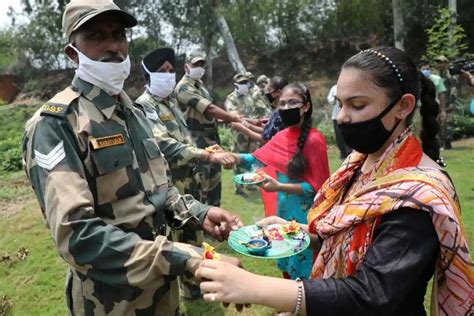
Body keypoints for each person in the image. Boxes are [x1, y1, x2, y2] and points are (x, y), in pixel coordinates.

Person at [196, 47, 472, 315]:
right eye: (340, 104)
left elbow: (372, 294)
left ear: (403, 106)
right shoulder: (360, 163)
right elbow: (350, 233)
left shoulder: (419, 197)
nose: (341, 117)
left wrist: (255, 287)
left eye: (357, 105)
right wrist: (300, 232)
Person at [21, 2, 243, 315]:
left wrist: (199, 212)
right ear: (73, 53)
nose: (113, 45)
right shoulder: (57, 124)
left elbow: (157, 193)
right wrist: (186, 258)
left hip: (163, 296)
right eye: (97, 36)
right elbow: (77, 236)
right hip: (112, 303)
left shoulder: (134, 115)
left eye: (118, 34)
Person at [135, 47, 237, 300]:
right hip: (170, 186)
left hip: (190, 180)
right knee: (179, 235)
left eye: (171, 70)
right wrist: (206, 155)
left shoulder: (169, 102)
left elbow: (182, 139)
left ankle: (195, 286)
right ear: (148, 74)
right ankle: (190, 290)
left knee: (195, 231)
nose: (168, 75)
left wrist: (203, 149)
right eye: (162, 71)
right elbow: (164, 146)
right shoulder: (144, 106)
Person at [229, 82, 330, 279]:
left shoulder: (314, 140)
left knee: (303, 259)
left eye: (292, 102)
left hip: (304, 214)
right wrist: (233, 157)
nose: (285, 108)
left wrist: (280, 186)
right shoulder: (282, 135)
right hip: (283, 208)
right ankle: (291, 305)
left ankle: (303, 305)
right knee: (285, 253)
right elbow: (257, 158)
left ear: (306, 106)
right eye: (281, 104)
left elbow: (319, 187)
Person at [175, 52, 241, 207]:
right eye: (194, 65)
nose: (199, 68)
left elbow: (210, 115)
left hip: (211, 138)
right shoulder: (184, 87)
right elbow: (209, 109)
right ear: (186, 67)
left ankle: (216, 223)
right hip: (197, 140)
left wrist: (231, 119)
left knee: (214, 184)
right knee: (201, 184)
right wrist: (231, 116)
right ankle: (202, 223)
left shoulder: (201, 87)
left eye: (201, 65)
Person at [225, 73, 261, 196]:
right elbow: (233, 114)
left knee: (251, 159)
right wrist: (248, 122)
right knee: (238, 160)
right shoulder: (231, 98)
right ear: (236, 85)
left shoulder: (249, 97)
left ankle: (249, 184)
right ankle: (239, 187)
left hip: (251, 133)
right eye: (241, 83)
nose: (244, 85)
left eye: (245, 83)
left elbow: (255, 113)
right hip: (239, 134)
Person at [230, 76, 288, 145]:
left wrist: (244, 128)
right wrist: (253, 123)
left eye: (269, 90)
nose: (267, 93)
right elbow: (269, 129)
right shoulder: (281, 108)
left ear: (279, 92)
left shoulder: (283, 111)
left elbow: (266, 138)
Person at [433, 55, 457, 150]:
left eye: (441, 62)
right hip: (438, 101)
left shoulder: (450, 74)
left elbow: (454, 88)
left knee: (447, 123)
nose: (439, 64)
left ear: (446, 63)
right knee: (438, 123)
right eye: (438, 62)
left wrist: (451, 102)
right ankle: (441, 143)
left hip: (448, 101)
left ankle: (447, 143)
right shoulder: (436, 75)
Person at [327, 84, 351, 159]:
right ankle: (343, 154)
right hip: (336, 116)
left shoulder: (348, 86)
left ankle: (349, 153)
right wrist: (334, 99)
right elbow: (329, 99)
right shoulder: (334, 88)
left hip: (347, 115)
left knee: (348, 134)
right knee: (339, 136)